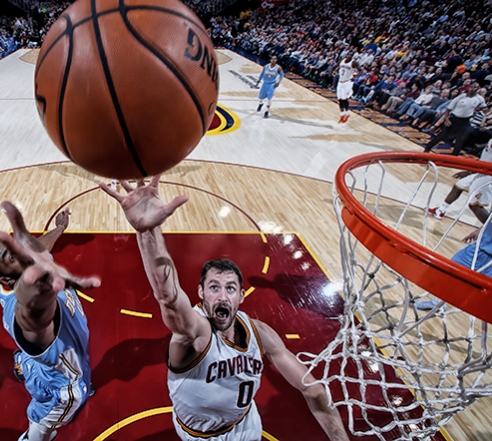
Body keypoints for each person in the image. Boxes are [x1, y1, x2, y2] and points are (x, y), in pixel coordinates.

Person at [100, 177, 349, 441]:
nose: (221, 296)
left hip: (246, 426)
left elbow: (314, 391)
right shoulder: (194, 334)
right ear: (200, 294)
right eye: (214, 287)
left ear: (241, 296)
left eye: (230, 288)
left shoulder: (259, 333)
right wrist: (148, 233)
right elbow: (168, 296)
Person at [0, 202, 99, 441]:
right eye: (12, 255)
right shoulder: (28, 312)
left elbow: (41, 247)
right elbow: (33, 313)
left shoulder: (24, 268)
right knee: (41, 423)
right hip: (60, 388)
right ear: (7, 280)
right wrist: (42, 289)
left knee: (78, 355)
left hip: (71, 353)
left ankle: (25, 360)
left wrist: (60, 228)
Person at [416, 225, 492, 310]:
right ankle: (437, 302)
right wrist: (481, 229)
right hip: (479, 247)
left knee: (482, 295)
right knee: (448, 272)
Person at [424, 82, 486, 155]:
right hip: (454, 118)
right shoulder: (461, 97)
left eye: (475, 87)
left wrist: (476, 109)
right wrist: (447, 119)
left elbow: (484, 107)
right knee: (442, 135)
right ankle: (428, 147)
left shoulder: (479, 98)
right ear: (469, 87)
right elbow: (448, 109)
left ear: (478, 89)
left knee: (460, 139)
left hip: (465, 121)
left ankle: (454, 155)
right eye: (472, 87)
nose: (473, 89)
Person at [254, 55, 284, 119]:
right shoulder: (266, 66)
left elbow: (282, 75)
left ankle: (266, 111)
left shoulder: (278, 68)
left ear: (276, 60)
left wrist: (278, 82)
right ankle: (260, 104)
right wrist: (258, 82)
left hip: (272, 84)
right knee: (260, 97)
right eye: (272, 59)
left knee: (269, 98)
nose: (273, 60)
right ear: (270, 59)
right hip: (265, 83)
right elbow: (261, 74)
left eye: (275, 59)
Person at [336, 53, 359, 124]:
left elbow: (360, 70)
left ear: (351, 57)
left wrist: (355, 77)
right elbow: (335, 65)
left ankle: (346, 113)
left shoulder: (353, 62)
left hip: (347, 82)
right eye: (347, 55)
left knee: (344, 99)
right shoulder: (342, 61)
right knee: (339, 99)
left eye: (350, 55)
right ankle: (342, 114)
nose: (348, 56)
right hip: (340, 81)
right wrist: (331, 70)